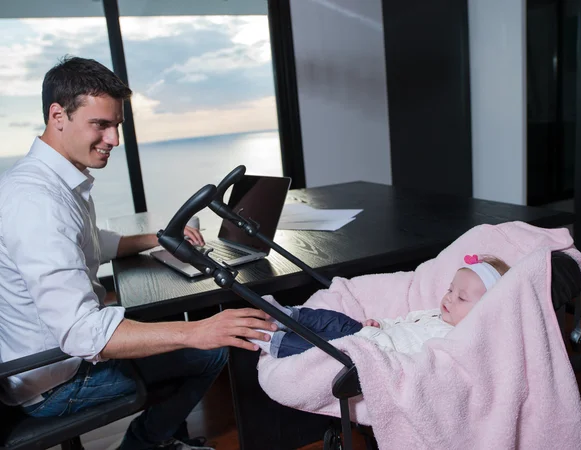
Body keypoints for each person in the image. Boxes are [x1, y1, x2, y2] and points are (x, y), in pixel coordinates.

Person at [0, 56, 277, 450]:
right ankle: (145, 445)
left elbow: (90, 241)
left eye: (117, 125)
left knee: (165, 323)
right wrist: (200, 330)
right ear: (58, 115)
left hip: (50, 361)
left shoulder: (48, 181)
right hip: (56, 383)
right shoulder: (37, 202)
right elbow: (82, 334)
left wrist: (158, 237)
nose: (114, 139)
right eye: (101, 125)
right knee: (210, 350)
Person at [252, 255, 510, 358]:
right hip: (372, 334)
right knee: (335, 320)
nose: (449, 298)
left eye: (461, 298)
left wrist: (375, 337)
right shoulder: (434, 314)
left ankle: (272, 340)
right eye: (450, 289)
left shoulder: (456, 340)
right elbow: (404, 322)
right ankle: (286, 314)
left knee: (321, 348)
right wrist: (379, 324)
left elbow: (411, 360)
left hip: (372, 352)